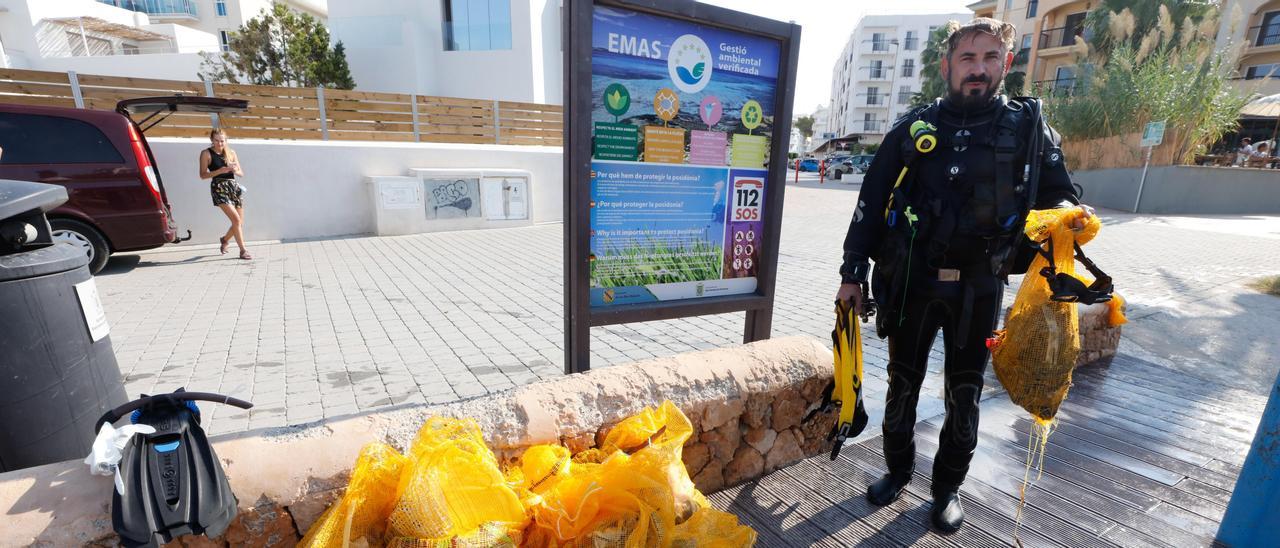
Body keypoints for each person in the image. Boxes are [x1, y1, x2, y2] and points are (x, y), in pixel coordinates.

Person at [834, 18, 1092, 533]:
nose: (978, 69)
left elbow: (1061, 197)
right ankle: (898, 469)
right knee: (902, 386)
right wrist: (851, 274)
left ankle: (947, 487)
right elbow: (869, 202)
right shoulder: (912, 129)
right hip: (911, 281)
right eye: (968, 59)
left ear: (1006, 64)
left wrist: (1069, 221)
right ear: (947, 65)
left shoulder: (1026, 129)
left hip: (980, 283)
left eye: (990, 58)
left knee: (965, 392)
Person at [199, 129, 250, 260]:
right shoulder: (206, 153)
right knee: (236, 220)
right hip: (219, 186)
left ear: (226, 140)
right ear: (212, 140)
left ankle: (225, 240)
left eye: (222, 140)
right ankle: (243, 250)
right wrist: (220, 171)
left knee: (239, 222)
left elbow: (241, 173)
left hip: (233, 186)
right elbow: (202, 175)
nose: (219, 143)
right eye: (216, 140)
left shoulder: (231, 152)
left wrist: (234, 169)